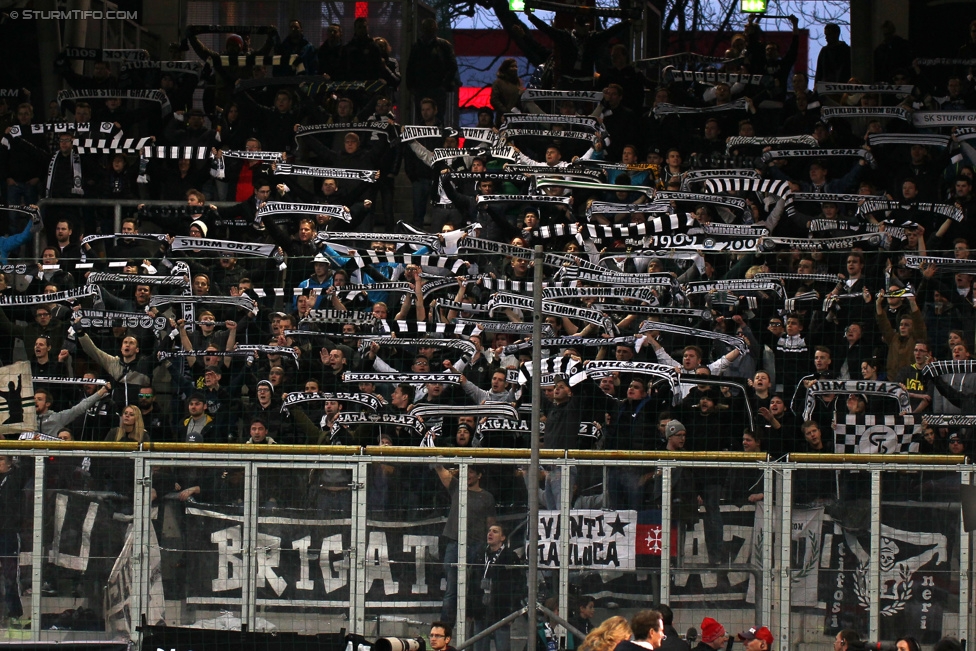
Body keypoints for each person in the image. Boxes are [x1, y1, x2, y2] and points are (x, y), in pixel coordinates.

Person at [434, 463, 496, 624]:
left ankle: (472, 627)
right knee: (452, 589)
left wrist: (491, 546)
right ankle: (445, 629)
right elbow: (440, 470)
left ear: (479, 475)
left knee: (476, 588)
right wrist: (432, 452)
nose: (468, 474)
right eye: (465, 471)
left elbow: (491, 524)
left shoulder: (487, 497)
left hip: (477, 546)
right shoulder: (456, 487)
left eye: (472, 472)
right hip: (455, 544)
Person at [470, 524, 523, 651]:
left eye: (495, 531)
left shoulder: (510, 557)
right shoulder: (480, 555)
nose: (490, 534)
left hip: (502, 608)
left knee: (502, 646)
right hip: (481, 608)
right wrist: (470, 609)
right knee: (480, 646)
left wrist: (513, 611)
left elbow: (518, 585)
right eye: (489, 531)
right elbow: (472, 582)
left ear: (503, 537)